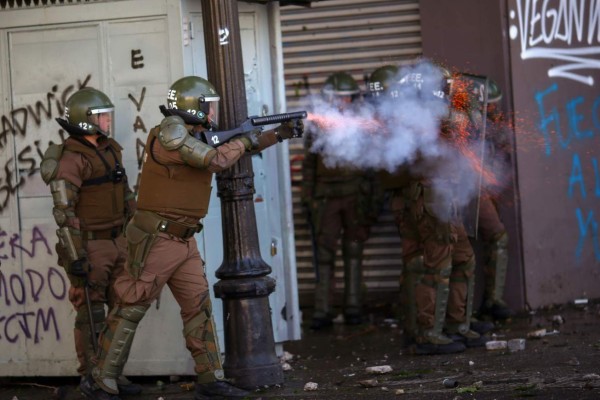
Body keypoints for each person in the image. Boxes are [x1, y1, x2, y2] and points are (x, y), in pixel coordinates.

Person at [79, 76, 303, 400]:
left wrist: (277, 135)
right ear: (191, 107)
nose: (212, 113)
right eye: (207, 106)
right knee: (130, 307)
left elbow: (218, 149)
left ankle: (210, 380)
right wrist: (251, 139)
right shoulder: (171, 132)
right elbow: (216, 160)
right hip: (157, 238)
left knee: (198, 309)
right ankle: (100, 380)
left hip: (183, 240)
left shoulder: (195, 135)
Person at [40, 88, 140, 395]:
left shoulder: (111, 150)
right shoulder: (72, 159)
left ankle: (111, 374)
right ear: (86, 120)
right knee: (91, 314)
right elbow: (64, 212)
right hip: (90, 245)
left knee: (122, 311)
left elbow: (125, 195)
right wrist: (76, 256)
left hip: (118, 240)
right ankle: (90, 377)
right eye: (101, 116)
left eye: (108, 114)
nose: (108, 121)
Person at [390, 61, 487, 354]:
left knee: (463, 259)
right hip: (432, 197)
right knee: (437, 265)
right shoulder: (418, 114)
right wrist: (468, 110)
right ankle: (427, 333)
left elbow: (467, 128)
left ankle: (456, 324)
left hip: (447, 194)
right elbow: (456, 123)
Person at [302, 71, 382, 329]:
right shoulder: (318, 124)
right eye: (336, 98)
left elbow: (372, 166)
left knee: (354, 251)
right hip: (326, 197)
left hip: (355, 194)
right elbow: (310, 165)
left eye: (345, 98)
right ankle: (323, 310)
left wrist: (372, 202)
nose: (340, 103)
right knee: (324, 255)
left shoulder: (363, 124)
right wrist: (308, 197)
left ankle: (353, 307)